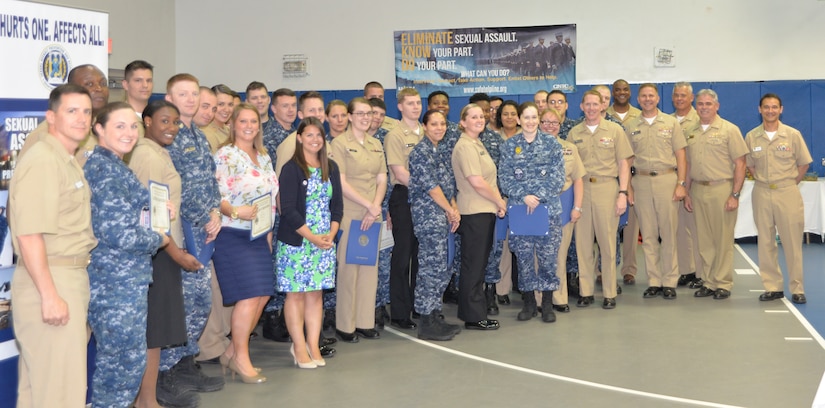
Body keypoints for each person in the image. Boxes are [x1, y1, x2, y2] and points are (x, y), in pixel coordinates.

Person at [10, 84, 97, 408]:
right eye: (71, 111)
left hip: (64, 276)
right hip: (51, 279)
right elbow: (30, 234)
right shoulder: (44, 160)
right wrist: (49, 295)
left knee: (43, 392)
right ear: (51, 117)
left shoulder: (65, 159)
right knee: (61, 394)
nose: (81, 119)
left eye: (86, 112)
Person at [84, 102, 171, 407]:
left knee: (125, 363)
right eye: (119, 126)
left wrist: (157, 210)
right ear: (99, 129)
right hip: (114, 282)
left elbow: (129, 214)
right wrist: (158, 238)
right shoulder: (104, 170)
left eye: (133, 126)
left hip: (125, 279)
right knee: (121, 366)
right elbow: (119, 234)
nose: (129, 133)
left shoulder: (115, 165)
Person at [130, 100, 202, 408]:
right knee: (154, 330)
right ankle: (146, 401)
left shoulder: (159, 152)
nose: (171, 128)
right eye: (164, 121)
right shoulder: (146, 155)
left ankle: (148, 400)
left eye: (175, 122)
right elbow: (151, 214)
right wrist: (176, 254)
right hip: (157, 252)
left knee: (156, 332)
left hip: (163, 248)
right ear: (147, 121)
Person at [160, 73, 225, 396]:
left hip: (204, 228)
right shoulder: (167, 137)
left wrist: (214, 212)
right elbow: (176, 188)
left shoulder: (197, 135)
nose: (189, 99)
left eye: (193, 94)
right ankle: (167, 372)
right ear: (170, 98)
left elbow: (210, 181)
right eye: (182, 94)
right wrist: (205, 215)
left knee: (200, 302)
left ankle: (186, 362)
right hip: (180, 233)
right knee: (183, 303)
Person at [211, 104, 278, 384]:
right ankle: (241, 357)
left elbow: (270, 199)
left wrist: (269, 234)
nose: (249, 126)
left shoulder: (263, 156)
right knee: (249, 296)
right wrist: (238, 212)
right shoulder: (225, 155)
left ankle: (231, 351)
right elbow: (217, 196)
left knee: (262, 295)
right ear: (233, 125)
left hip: (259, 236)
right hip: (232, 234)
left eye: (253, 121)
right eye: (243, 121)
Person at [276, 117, 343, 367]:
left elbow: (337, 207)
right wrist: (312, 237)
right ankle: (298, 346)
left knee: (315, 295)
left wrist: (331, 234)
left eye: (319, 135)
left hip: (324, 242)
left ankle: (313, 345)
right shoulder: (291, 168)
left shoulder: (331, 167)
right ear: (299, 137)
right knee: (296, 296)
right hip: (298, 241)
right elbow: (288, 209)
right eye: (309, 135)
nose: (315, 139)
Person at [499, 102, 565, 322]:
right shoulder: (509, 146)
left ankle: (546, 304)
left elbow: (558, 178)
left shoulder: (551, 144)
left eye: (534, 117)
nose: (530, 122)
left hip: (547, 211)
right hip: (521, 211)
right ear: (518, 120)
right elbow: (504, 179)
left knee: (548, 259)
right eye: (525, 117)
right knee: (524, 258)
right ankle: (528, 303)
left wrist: (538, 197)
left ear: (539, 119)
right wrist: (524, 196)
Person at [329, 97, 387, 342]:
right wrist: (367, 205)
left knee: (369, 269)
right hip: (352, 212)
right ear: (350, 116)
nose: (366, 117)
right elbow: (340, 182)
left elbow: (382, 178)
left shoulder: (376, 144)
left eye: (369, 113)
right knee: (349, 270)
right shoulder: (339, 144)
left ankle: (365, 321)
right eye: (361, 113)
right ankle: (345, 325)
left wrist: (375, 207)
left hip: (372, 213)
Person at [568, 90, 633, 309]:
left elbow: (624, 164)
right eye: (588, 104)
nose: (592, 108)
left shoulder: (615, 131)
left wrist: (622, 193)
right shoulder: (574, 133)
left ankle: (609, 293)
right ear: (582, 106)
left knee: (607, 243)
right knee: (583, 244)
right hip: (582, 189)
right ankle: (586, 292)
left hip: (607, 187)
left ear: (602, 106)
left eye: (595, 104)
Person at [745, 94, 812, 304]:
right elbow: (750, 165)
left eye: (774, 107)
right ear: (760, 110)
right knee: (765, 242)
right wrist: (764, 181)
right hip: (762, 192)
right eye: (766, 107)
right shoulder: (752, 136)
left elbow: (804, 164)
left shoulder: (792, 135)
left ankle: (797, 288)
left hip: (787, 191)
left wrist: (789, 183)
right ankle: (772, 287)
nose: (770, 111)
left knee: (792, 242)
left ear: (781, 109)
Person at [683, 89, 748, 300]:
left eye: (708, 104)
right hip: (698, 190)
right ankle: (709, 281)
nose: (704, 107)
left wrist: (735, 194)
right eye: (700, 104)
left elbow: (740, 163)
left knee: (722, 239)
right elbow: (689, 164)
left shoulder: (729, 130)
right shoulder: (690, 131)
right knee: (704, 240)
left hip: (722, 189)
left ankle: (723, 283)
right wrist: (687, 192)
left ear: (717, 106)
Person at [624, 84, 687, 300]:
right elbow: (627, 159)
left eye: (651, 95)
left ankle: (669, 280)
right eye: (643, 96)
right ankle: (654, 280)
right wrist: (628, 188)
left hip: (666, 180)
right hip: (640, 181)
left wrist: (681, 183)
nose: (647, 99)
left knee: (668, 233)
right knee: (648, 235)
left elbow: (681, 155)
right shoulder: (631, 125)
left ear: (658, 98)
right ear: (638, 99)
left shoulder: (670, 123)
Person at [452, 103, 507, 330]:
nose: (479, 120)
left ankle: (473, 311)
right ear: (463, 122)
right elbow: (476, 181)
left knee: (477, 264)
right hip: (475, 211)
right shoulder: (465, 146)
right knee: (474, 265)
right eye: (472, 117)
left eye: (481, 116)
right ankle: (473, 316)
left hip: (484, 210)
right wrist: (499, 200)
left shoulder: (477, 143)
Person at [409, 110, 462, 340]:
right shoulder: (420, 152)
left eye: (442, 124)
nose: (439, 128)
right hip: (429, 217)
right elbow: (432, 188)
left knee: (443, 266)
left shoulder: (439, 151)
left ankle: (435, 312)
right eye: (434, 124)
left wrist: (453, 207)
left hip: (443, 216)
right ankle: (426, 320)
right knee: (431, 268)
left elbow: (447, 185)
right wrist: (450, 210)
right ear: (424, 126)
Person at [384, 88, 423, 330]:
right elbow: (399, 172)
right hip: (405, 197)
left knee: (420, 256)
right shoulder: (395, 135)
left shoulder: (426, 132)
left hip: (425, 200)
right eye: (410, 104)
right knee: (403, 256)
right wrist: (429, 188)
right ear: (400, 106)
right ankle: (399, 311)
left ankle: (417, 305)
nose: (415, 107)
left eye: (418, 103)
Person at [18, 64, 109, 165]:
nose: (99, 88)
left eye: (103, 83)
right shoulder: (44, 134)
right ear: (72, 88)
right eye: (89, 84)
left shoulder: (102, 127)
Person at [539, 108, 584, 313]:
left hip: (564, 205)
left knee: (560, 254)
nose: (550, 126)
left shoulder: (569, 148)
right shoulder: (531, 146)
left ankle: (558, 296)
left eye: (554, 122)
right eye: (546, 122)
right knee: (537, 255)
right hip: (537, 207)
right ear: (539, 124)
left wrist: (576, 207)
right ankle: (539, 299)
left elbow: (578, 180)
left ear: (560, 124)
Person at [671, 82, 704, 288]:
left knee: (698, 230)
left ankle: (702, 273)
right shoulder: (667, 121)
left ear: (691, 98)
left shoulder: (701, 119)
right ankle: (687, 270)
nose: (679, 98)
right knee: (680, 230)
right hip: (674, 181)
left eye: (683, 95)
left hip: (695, 180)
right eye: (676, 95)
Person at [366, 97, 393, 329]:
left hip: (383, 210)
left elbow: (389, 180)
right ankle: (363, 308)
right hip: (359, 210)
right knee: (362, 261)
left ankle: (380, 305)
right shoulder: (350, 140)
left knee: (384, 261)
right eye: (372, 113)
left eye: (380, 114)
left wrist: (389, 210)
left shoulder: (386, 139)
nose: (376, 118)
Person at [203, 84, 236, 151]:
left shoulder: (230, 131)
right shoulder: (206, 134)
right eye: (221, 104)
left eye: (230, 104)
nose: (226, 109)